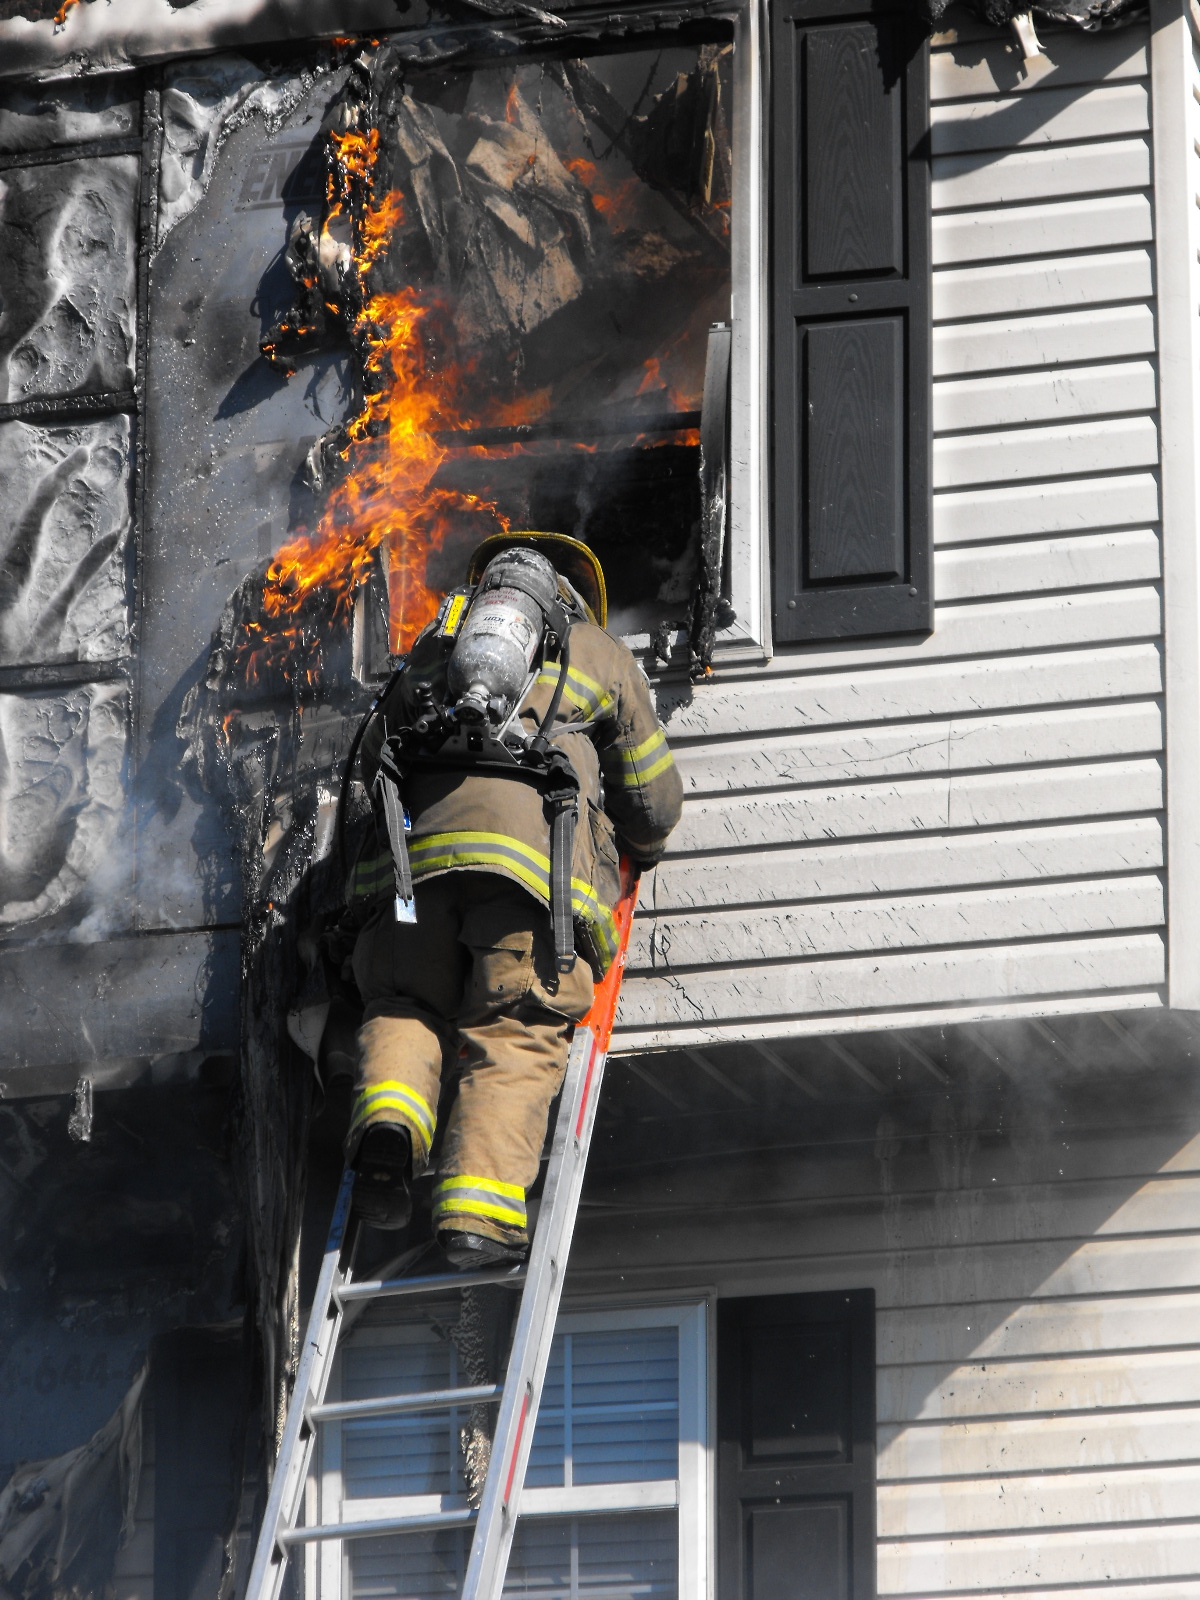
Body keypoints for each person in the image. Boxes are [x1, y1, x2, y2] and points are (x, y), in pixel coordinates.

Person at [344, 532, 683, 1265]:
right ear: (574, 599)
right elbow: (652, 803)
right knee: (517, 1027)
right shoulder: (598, 655)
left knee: (403, 1002)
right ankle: (477, 1214)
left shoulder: (434, 652)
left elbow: (370, 765)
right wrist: (640, 851)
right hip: (530, 891)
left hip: (411, 887)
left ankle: (391, 1128)